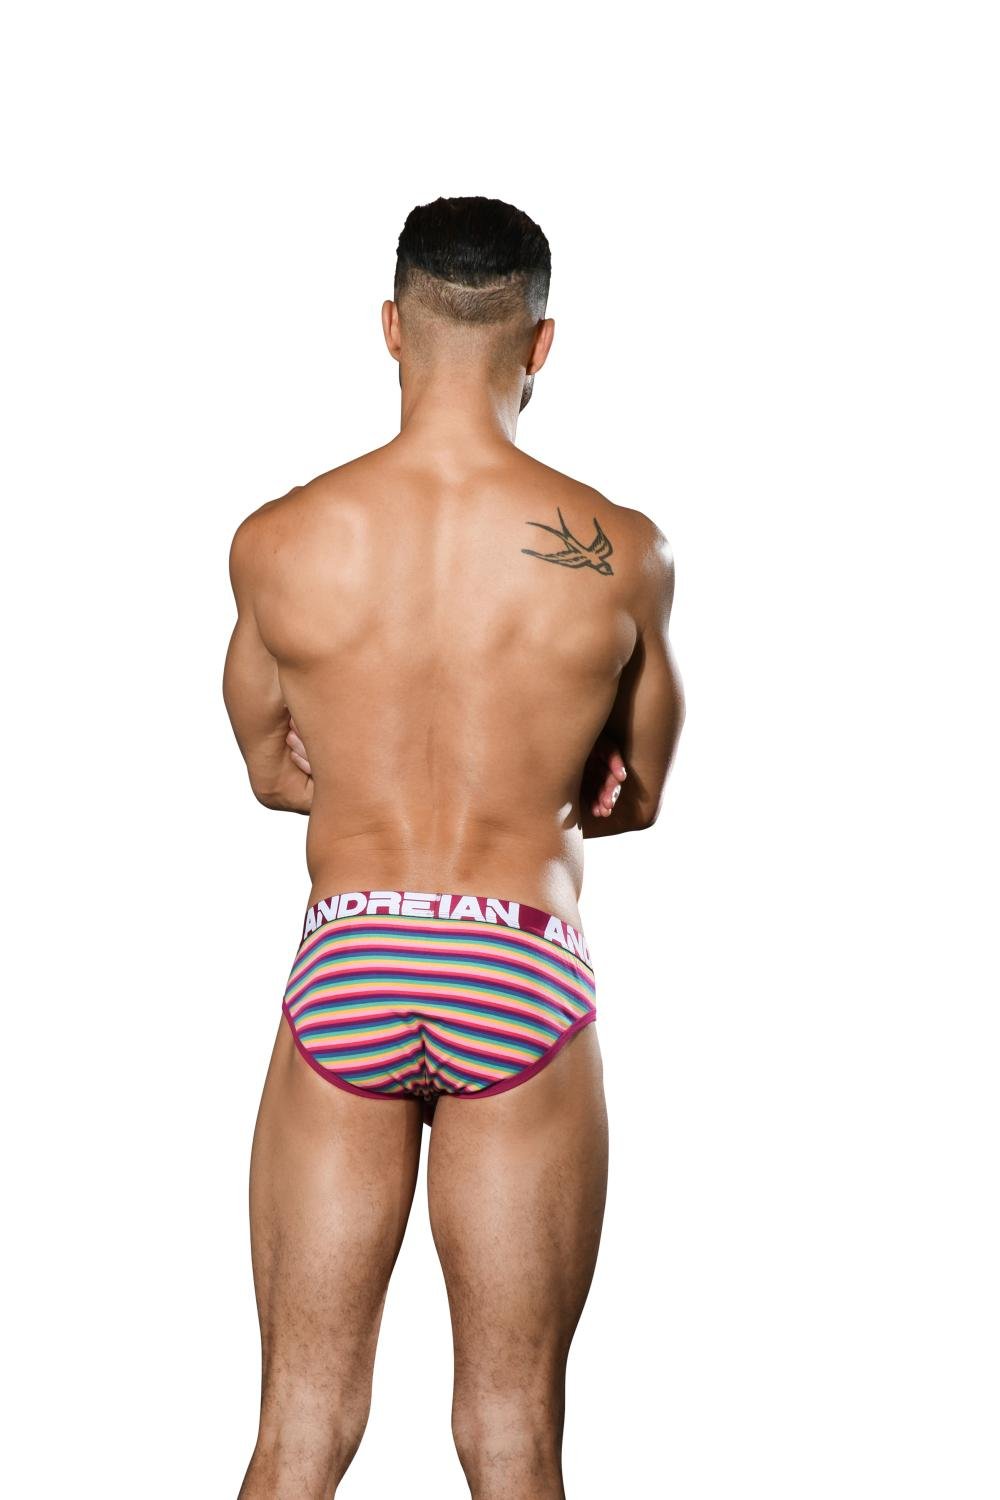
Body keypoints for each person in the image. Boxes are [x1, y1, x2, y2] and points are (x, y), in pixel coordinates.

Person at [223, 196, 684, 1500]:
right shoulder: (621, 552)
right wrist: (545, 783)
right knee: (511, 1434)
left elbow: (272, 772)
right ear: (540, 344)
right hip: (517, 961)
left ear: (391, 327)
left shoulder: (279, 541)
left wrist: (369, 772)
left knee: (301, 1427)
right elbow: (639, 794)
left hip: (353, 952)